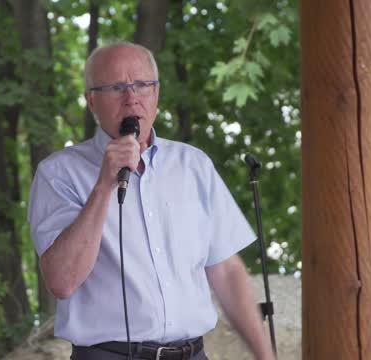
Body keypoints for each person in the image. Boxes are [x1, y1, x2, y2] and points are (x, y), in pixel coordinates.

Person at [28, 41, 276, 360]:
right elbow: (61, 282)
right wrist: (104, 185)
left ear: (157, 93)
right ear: (92, 100)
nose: (132, 98)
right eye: (117, 87)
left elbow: (226, 271)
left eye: (143, 85)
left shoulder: (193, 165)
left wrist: (265, 355)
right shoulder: (59, 173)